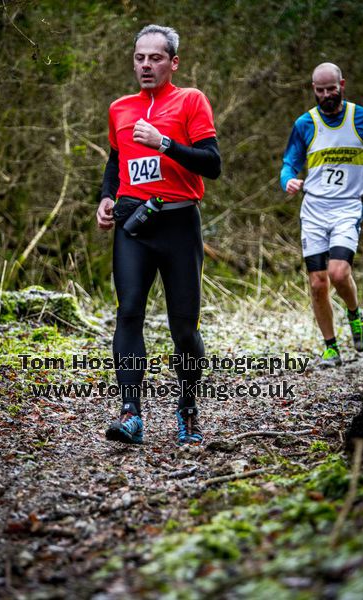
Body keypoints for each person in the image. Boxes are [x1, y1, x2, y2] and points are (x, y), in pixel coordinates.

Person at [96, 24, 221, 444]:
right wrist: (107, 197)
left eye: (155, 58)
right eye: (139, 58)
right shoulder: (120, 108)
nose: (145, 65)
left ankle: (188, 410)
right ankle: (130, 414)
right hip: (133, 224)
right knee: (128, 312)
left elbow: (212, 164)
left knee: (183, 327)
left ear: (173, 62)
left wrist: (164, 143)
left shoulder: (192, 100)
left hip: (179, 224)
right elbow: (116, 160)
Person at [281, 62, 363, 367]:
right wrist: (287, 179)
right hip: (314, 210)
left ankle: (355, 315)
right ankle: (331, 347)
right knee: (317, 283)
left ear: (342, 84)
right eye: (321, 90)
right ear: (313, 90)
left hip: (348, 206)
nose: (327, 95)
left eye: (332, 89)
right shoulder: (305, 123)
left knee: (339, 272)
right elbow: (289, 163)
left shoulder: (359, 117)